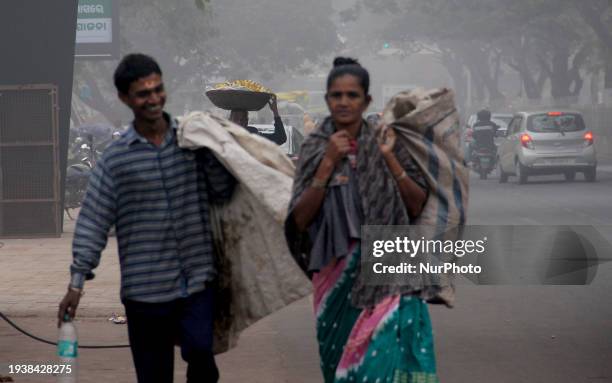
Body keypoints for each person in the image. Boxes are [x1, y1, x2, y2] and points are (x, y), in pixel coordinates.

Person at [58, 53, 236, 383]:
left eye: (158, 89)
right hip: (145, 291)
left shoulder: (193, 143)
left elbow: (224, 194)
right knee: (153, 376)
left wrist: (219, 151)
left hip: (197, 280)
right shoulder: (116, 160)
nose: (153, 99)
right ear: (125, 99)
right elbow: (93, 221)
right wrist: (76, 283)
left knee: (202, 354)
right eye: (143, 93)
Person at [285, 57, 439, 382]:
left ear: (366, 100)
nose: (343, 102)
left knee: (380, 361)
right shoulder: (315, 148)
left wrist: (390, 160)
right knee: (339, 367)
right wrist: (328, 164)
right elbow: (299, 220)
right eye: (336, 95)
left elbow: (416, 205)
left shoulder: (388, 143)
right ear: (327, 100)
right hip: (334, 274)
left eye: (352, 95)